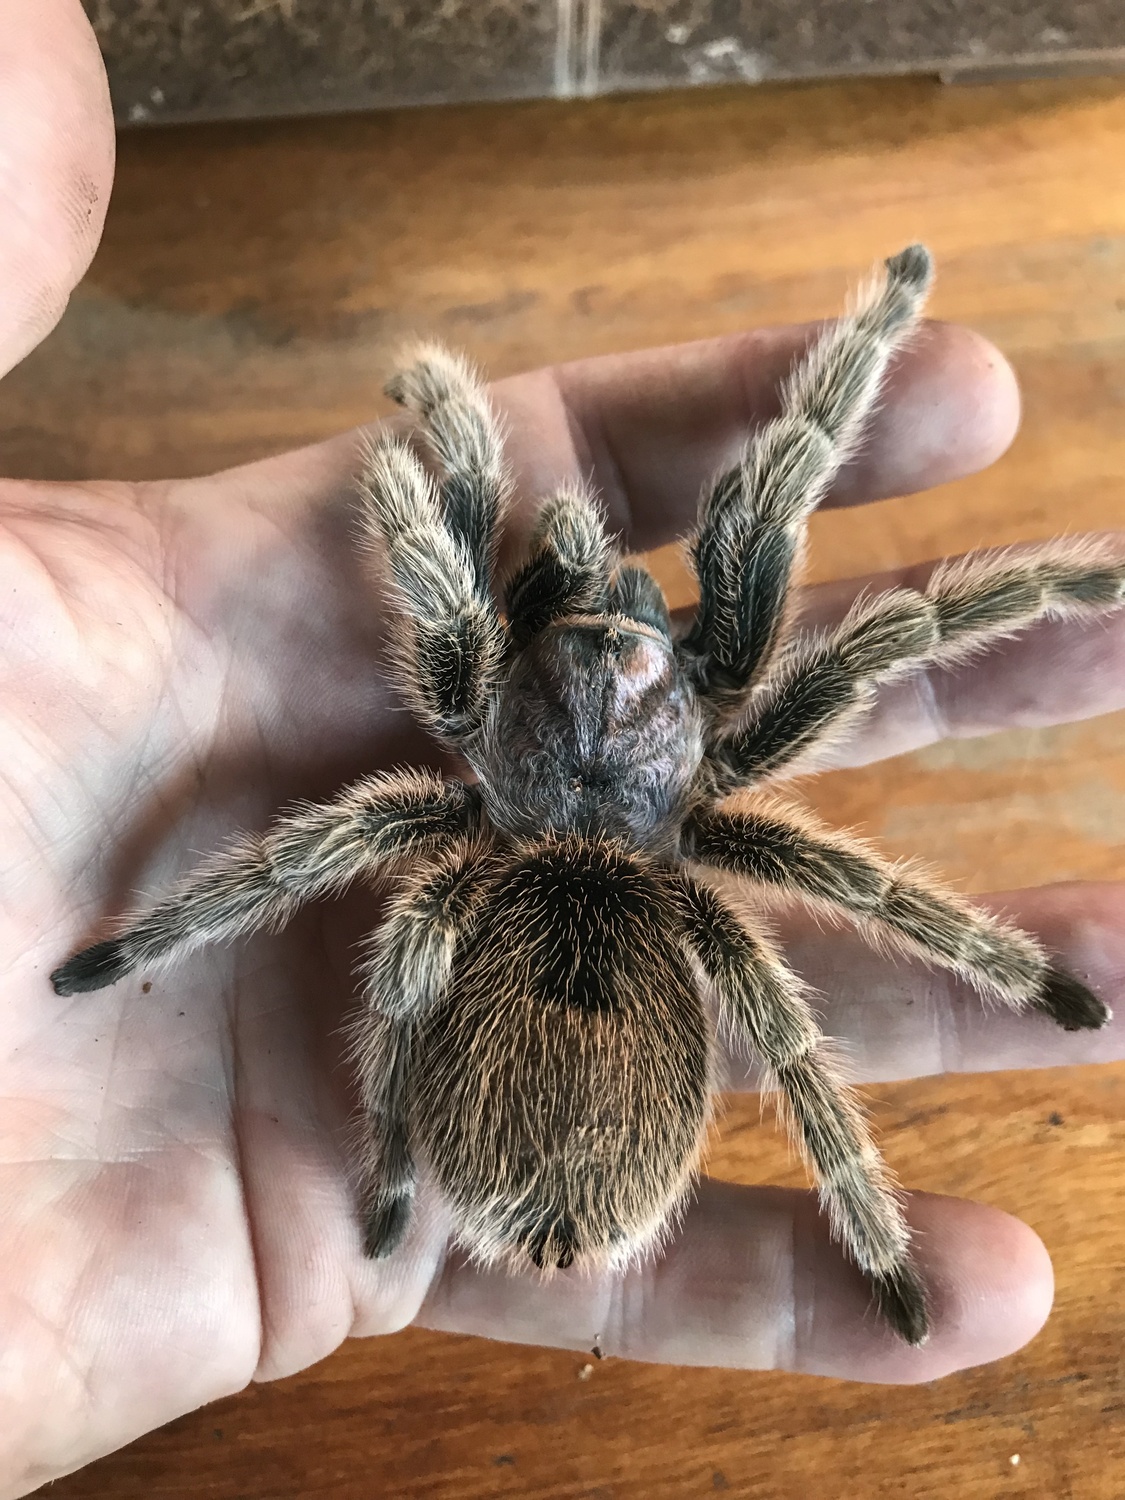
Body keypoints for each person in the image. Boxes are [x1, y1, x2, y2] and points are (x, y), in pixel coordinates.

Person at [3, 2, 1123, 1493]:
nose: (612, 637)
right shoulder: (697, 796)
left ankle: (409, 1170)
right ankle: (834, 1223)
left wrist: (438, 438)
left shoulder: (452, 774)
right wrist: (1003, 966)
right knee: (814, 831)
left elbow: (415, 543)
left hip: (510, 972)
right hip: (595, 968)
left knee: (526, 902)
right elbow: (840, 620)